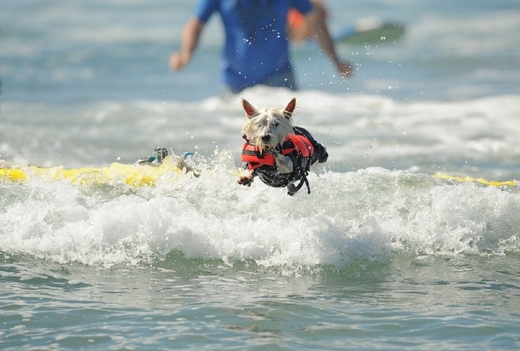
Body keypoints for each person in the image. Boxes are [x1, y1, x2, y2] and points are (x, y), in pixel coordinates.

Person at [170, 0, 353, 94]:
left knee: (288, 146)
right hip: (235, 82)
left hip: (280, 80)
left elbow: (316, 22)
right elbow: (196, 24)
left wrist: (336, 60)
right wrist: (186, 54)